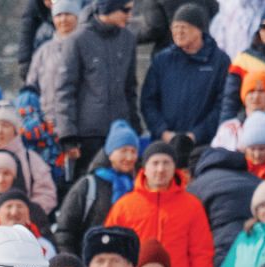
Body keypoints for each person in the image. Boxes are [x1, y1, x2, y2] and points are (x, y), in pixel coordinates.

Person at [105, 141, 215, 267]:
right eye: (155, 163)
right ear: (145, 168)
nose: (160, 169)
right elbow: (111, 255)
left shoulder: (192, 206)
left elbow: (202, 256)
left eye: (166, 163)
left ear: (174, 167)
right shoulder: (124, 206)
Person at [53, 0, 143, 172]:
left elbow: (130, 88)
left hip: (119, 130)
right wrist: (68, 135)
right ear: (110, 8)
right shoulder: (78, 40)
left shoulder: (128, 39)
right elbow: (65, 90)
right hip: (89, 134)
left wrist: (134, 125)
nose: (129, 15)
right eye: (125, 10)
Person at [141, 4, 227, 164]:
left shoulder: (219, 61)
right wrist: (163, 132)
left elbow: (223, 104)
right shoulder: (162, 60)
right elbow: (148, 101)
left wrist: (196, 135)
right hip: (165, 145)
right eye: (175, 27)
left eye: (184, 27)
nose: (178, 32)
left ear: (199, 29)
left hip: (204, 146)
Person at [54, 122, 140, 255]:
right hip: (88, 265)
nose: (129, 157)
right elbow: (65, 231)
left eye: (133, 151)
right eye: (123, 151)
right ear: (110, 153)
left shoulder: (138, 187)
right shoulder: (89, 185)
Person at [28, 0, 83, 145]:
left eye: (68, 14)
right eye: (59, 15)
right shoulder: (43, 51)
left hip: (80, 124)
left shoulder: (87, 48)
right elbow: (31, 85)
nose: (63, 19)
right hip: (48, 122)